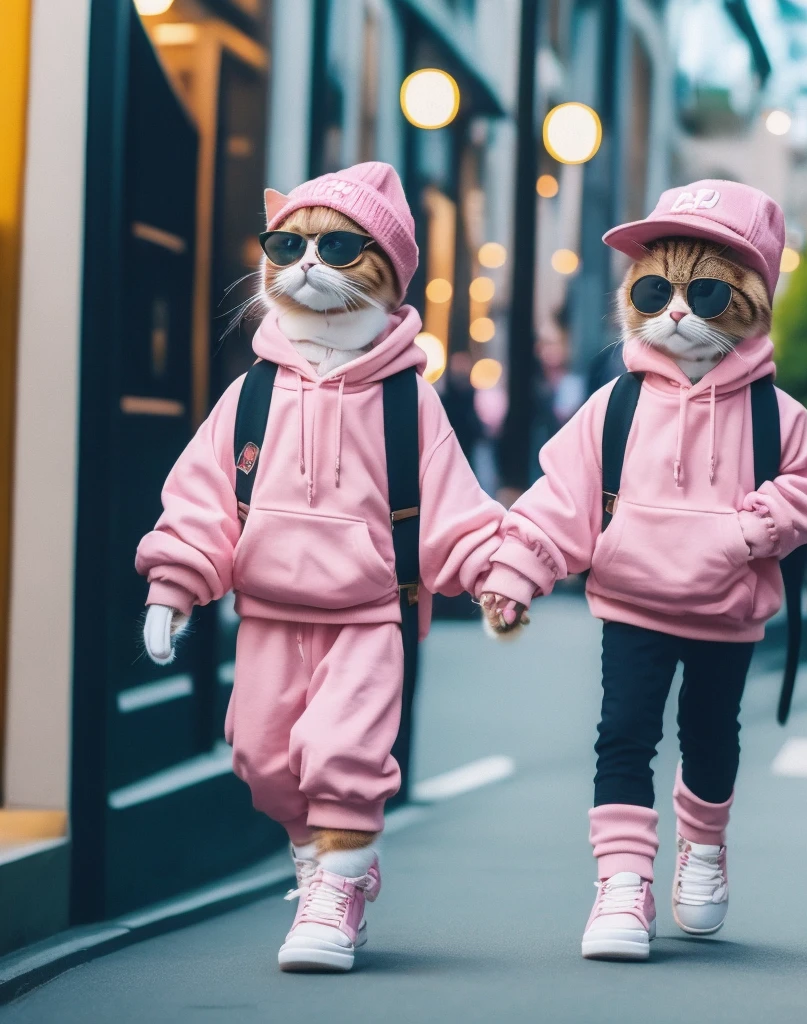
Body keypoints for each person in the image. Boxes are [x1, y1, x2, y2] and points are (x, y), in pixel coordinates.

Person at [136, 162, 505, 972]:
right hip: (267, 612)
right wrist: (174, 586)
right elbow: (202, 499)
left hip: (370, 615)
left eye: (339, 246)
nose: (308, 260)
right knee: (262, 759)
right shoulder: (253, 395)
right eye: (288, 243)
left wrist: (493, 575)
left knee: (343, 754)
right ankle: (321, 860)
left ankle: (335, 894)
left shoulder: (410, 399)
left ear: (389, 269)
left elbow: (456, 506)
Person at [481, 180, 807, 960]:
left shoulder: (780, 415)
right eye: (654, 288)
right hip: (633, 600)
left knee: (710, 738)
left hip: (727, 610)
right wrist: (513, 573)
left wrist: (748, 531)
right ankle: (622, 884)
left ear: (752, 297)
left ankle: (702, 847)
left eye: (704, 291)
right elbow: (560, 499)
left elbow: (806, 496)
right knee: (622, 737)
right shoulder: (617, 403)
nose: (676, 309)